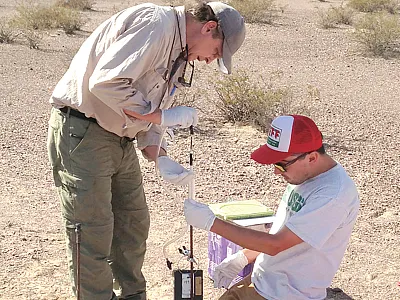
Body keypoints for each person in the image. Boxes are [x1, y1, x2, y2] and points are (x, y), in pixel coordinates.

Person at [47, 1, 245, 299]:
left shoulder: (180, 52)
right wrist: (159, 117)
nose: (208, 61)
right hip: (85, 132)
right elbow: (106, 81)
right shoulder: (156, 24)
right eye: (216, 52)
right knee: (91, 232)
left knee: (133, 225)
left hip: (122, 140)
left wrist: (160, 155)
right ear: (209, 27)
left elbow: (153, 107)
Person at [184, 115, 360, 300]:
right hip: (262, 281)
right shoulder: (304, 175)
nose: (276, 171)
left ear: (312, 157)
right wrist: (245, 256)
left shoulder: (332, 195)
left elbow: (277, 244)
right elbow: (285, 231)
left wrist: (211, 223)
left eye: (281, 164)